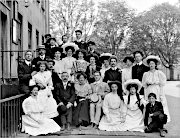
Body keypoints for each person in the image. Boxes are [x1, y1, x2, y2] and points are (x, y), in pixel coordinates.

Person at [142, 55, 170, 122]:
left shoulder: (159, 73)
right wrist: (145, 96)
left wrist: (161, 95)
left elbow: (162, 84)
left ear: (155, 64)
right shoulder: (146, 74)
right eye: (150, 64)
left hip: (157, 90)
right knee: (150, 104)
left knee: (158, 104)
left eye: (152, 63)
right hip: (149, 90)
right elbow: (144, 85)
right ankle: (149, 121)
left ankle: (159, 121)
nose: (151, 65)